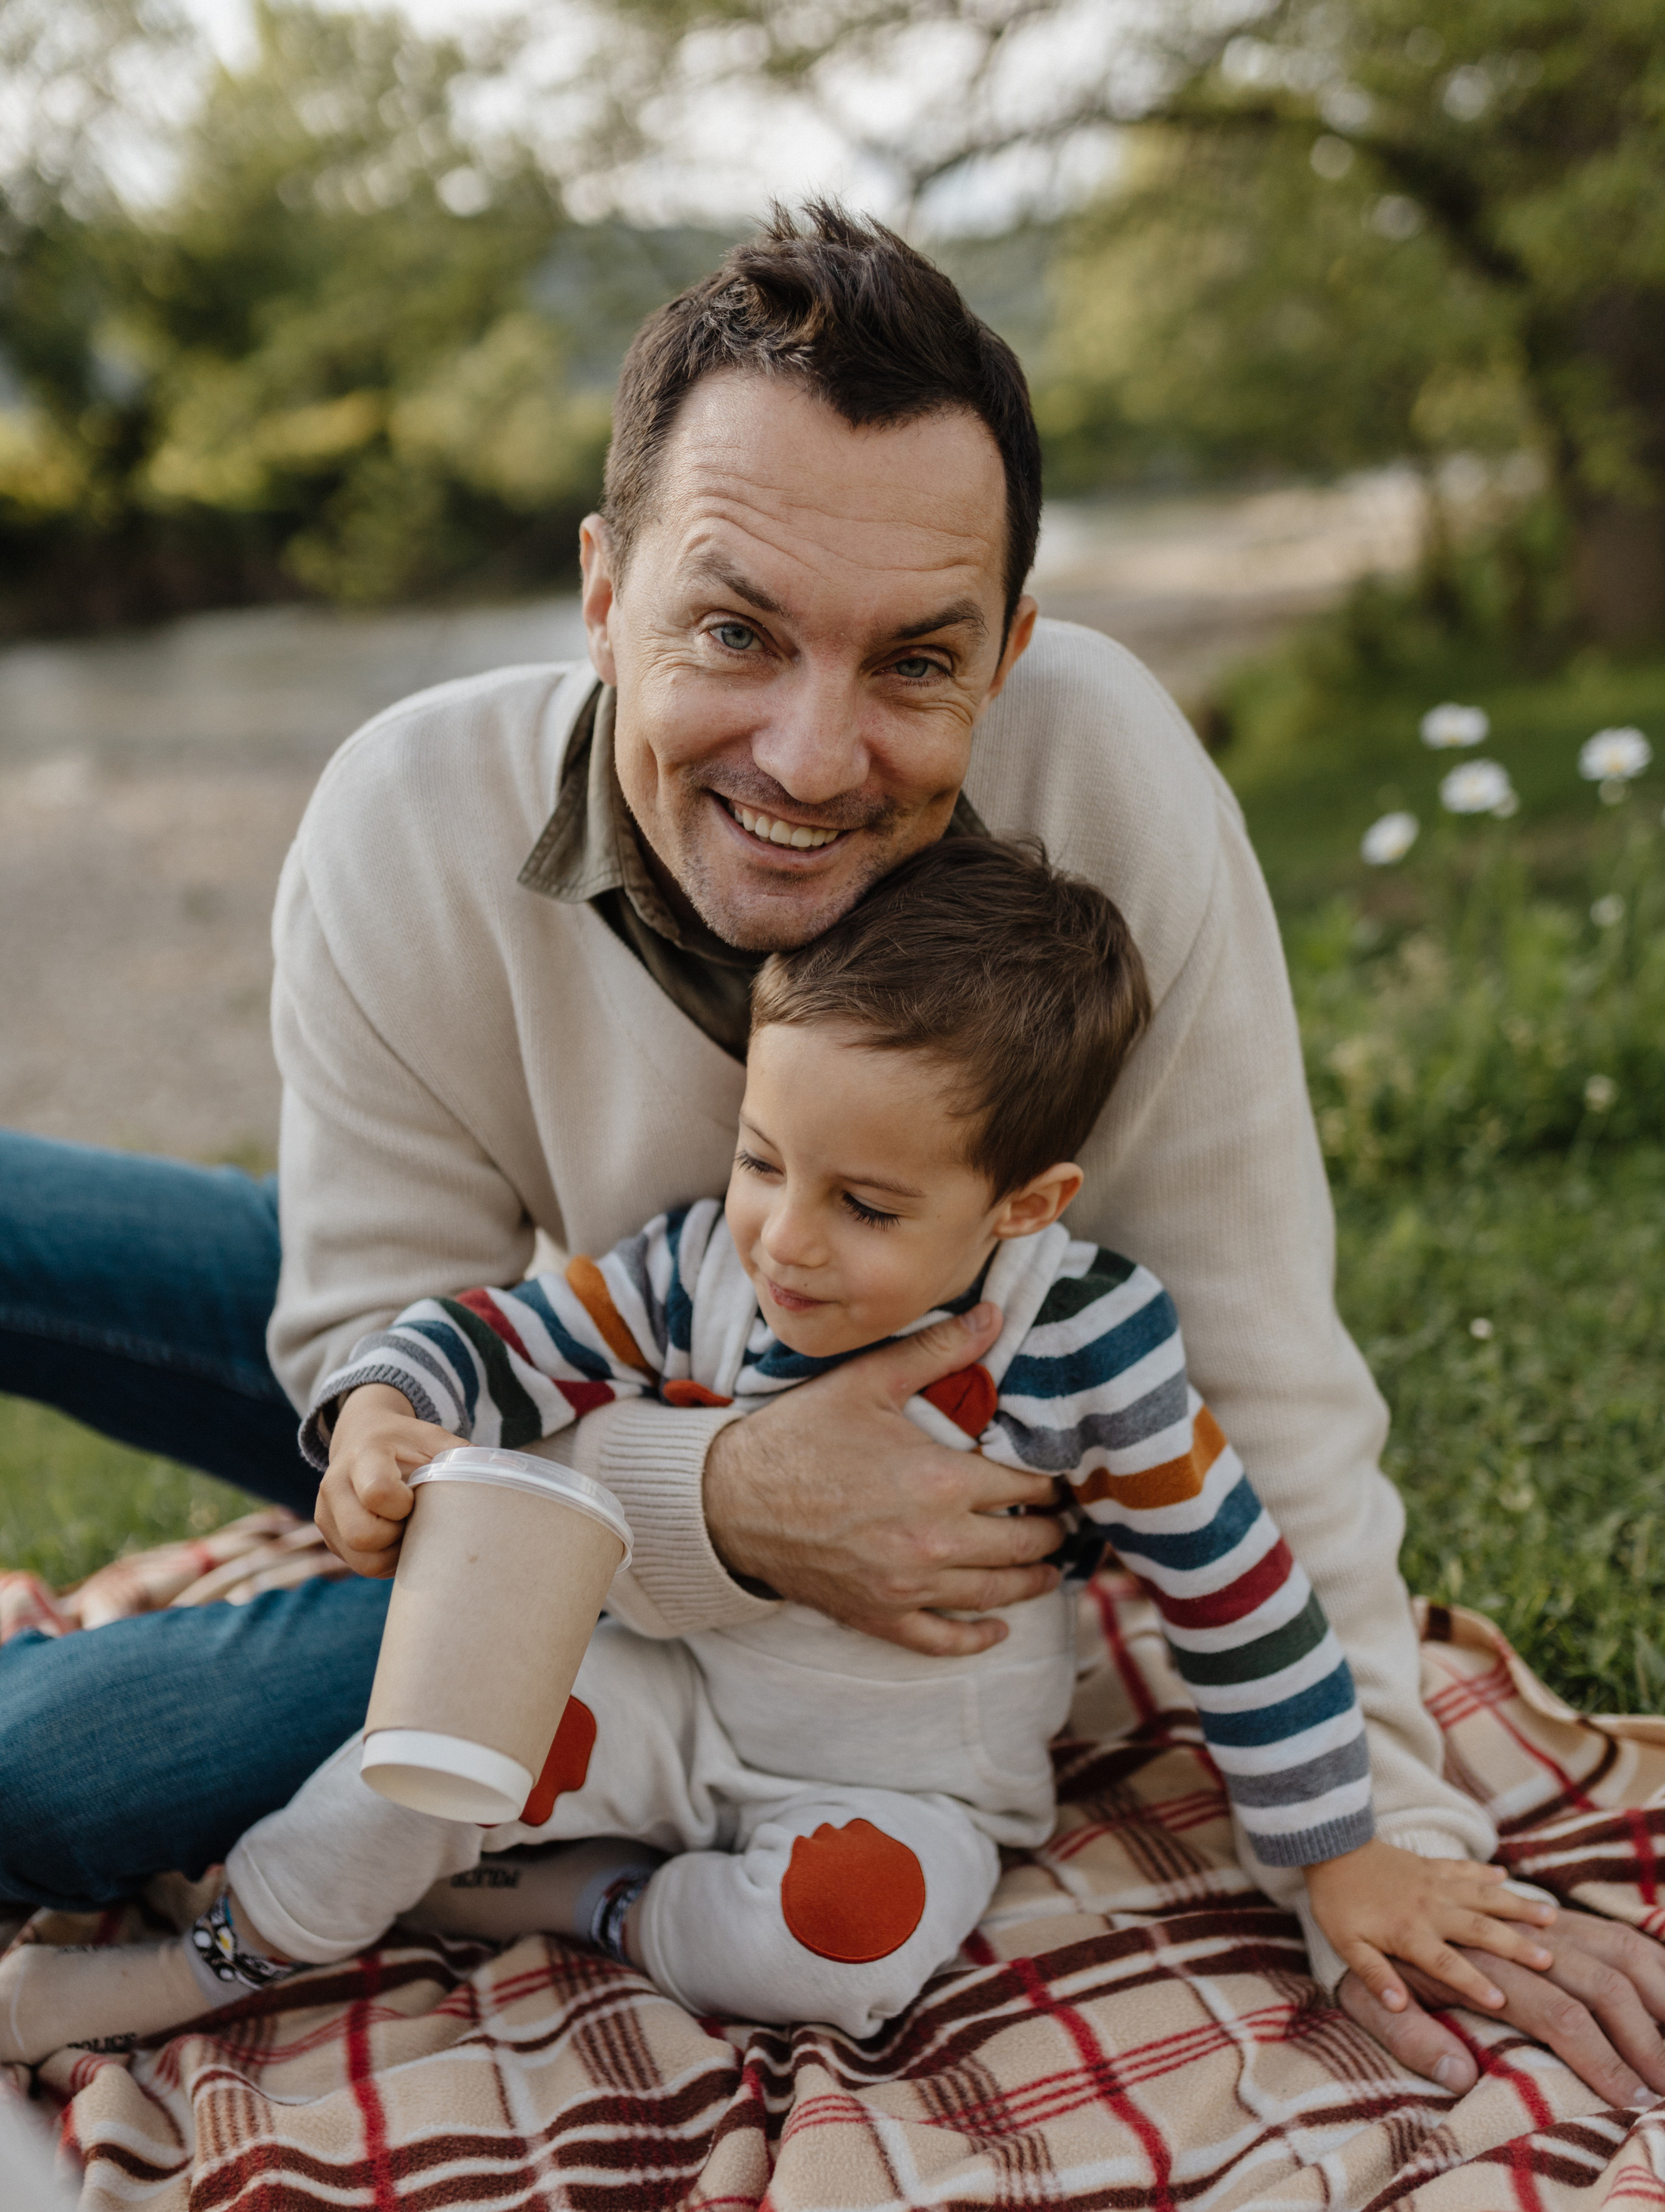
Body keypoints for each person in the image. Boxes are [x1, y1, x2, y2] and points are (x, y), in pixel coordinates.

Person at [3, 204, 1664, 2107]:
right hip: (553, 1375)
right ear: (600, 590)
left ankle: (566, 1876)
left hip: (681, 1525)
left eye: (913, 662)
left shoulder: (1107, 776)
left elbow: (1258, 1378)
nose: (810, 755)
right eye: (733, 630)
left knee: (51, 1774)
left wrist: (1390, 1845)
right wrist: (709, 1496)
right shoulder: (400, 819)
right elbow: (369, 1359)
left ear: (1011, 651)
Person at [0, 842, 1557, 2060]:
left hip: (911, 1783)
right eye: (761, 1159)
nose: (787, 1242)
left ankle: (586, 1902)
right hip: (665, 1696)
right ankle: (197, 1969)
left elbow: (1241, 1597)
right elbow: (502, 1330)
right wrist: (394, 1409)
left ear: (1023, 1204)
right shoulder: (704, 1264)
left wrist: (1337, 1852)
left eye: (865, 1206)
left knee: (847, 1944)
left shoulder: (1090, 1344)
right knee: (426, 1748)